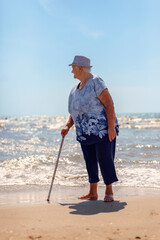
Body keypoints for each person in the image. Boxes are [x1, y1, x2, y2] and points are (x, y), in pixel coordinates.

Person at [61, 55, 119, 202]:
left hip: (102, 130)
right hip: (84, 132)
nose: (72, 71)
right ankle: (93, 192)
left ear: (80, 68)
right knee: (90, 161)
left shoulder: (96, 82)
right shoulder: (74, 90)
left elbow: (109, 104)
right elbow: (74, 112)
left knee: (105, 159)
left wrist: (111, 127)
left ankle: (109, 191)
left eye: (73, 67)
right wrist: (68, 125)